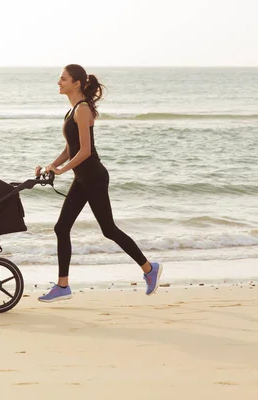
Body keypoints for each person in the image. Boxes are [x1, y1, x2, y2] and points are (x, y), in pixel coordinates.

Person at [35, 64, 162, 302]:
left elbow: (84, 151)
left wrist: (62, 170)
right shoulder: (73, 110)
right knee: (61, 227)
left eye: (63, 79)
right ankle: (63, 286)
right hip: (83, 178)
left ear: (77, 83)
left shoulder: (82, 109)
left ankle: (149, 269)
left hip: (93, 176)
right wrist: (51, 165)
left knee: (108, 229)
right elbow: (69, 148)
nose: (58, 83)